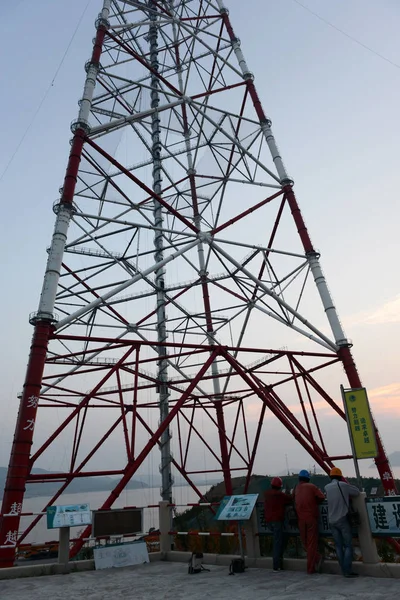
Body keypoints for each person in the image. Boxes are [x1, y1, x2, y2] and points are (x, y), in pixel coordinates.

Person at [325, 467, 360, 578]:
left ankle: (343, 570)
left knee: (338, 546)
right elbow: (357, 492)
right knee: (348, 545)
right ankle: (347, 570)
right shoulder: (343, 485)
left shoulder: (326, 487)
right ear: (340, 476)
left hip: (331, 520)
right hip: (342, 519)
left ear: (330, 476)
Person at [294, 469, 325, 574]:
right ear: (308, 478)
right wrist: (314, 502)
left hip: (300, 519)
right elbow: (322, 497)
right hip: (311, 517)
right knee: (311, 542)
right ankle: (312, 566)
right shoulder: (312, 487)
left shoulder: (296, 488)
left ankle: (315, 558)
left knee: (305, 542)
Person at [264, 476, 292, 571]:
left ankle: (279, 562)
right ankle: (277, 565)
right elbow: (290, 499)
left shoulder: (267, 494)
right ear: (280, 486)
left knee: (278, 540)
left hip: (268, 521)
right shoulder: (280, 495)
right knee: (278, 542)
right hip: (277, 521)